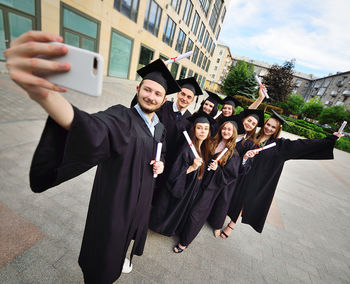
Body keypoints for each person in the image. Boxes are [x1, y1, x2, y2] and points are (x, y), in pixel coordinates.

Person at [4, 31, 182, 284]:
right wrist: (46, 95)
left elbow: (160, 153)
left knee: (127, 241)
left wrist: (161, 165)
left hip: (140, 204)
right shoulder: (122, 118)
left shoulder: (161, 128)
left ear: (164, 100)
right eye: (147, 90)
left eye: (157, 94)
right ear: (138, 88)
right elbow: (93, 128)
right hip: (115, 204)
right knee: (103, 259)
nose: (151, 96)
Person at [221, 110, 343, 237]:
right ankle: (220, 216)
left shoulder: (280, 145)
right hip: (242, 174)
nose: (269, 128)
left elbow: (304, 145)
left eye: (273, 127)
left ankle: (231, 225)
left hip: (258, 180)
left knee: (244, 202)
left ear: (277, 129)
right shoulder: (253, 137)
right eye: (268, 124)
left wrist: (330, 139)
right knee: (232, 197)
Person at [173, 117, 257, 253]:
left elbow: (230, 176)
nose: (226, 131)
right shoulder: (211, 142)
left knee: (196, 214)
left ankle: (184, 242)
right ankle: (179, 230)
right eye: (224, 128)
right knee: (188, 207)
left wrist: (217, 170)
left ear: (234, 132)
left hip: (210, 189)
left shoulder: (233, 154)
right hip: (198, 181)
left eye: (229, 129)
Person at [149, 112, 214, 236]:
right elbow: (174, 174)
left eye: (206, 129)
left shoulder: (203, 149)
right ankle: (160, 227)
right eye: (199, 128)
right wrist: (192, 167)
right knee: (170, 209)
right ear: (193, 130)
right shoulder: (186, 149)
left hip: (189, 189)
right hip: (181, 187)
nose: (202, 131)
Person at [152, 77, 203, 203]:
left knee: (159, 193)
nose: (184, 99)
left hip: (171, 162)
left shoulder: (190, 120)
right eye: (183, 94)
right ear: (177, 93)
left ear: (192, 100)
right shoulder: (163, 106)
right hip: (153, 155)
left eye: (189, 97)